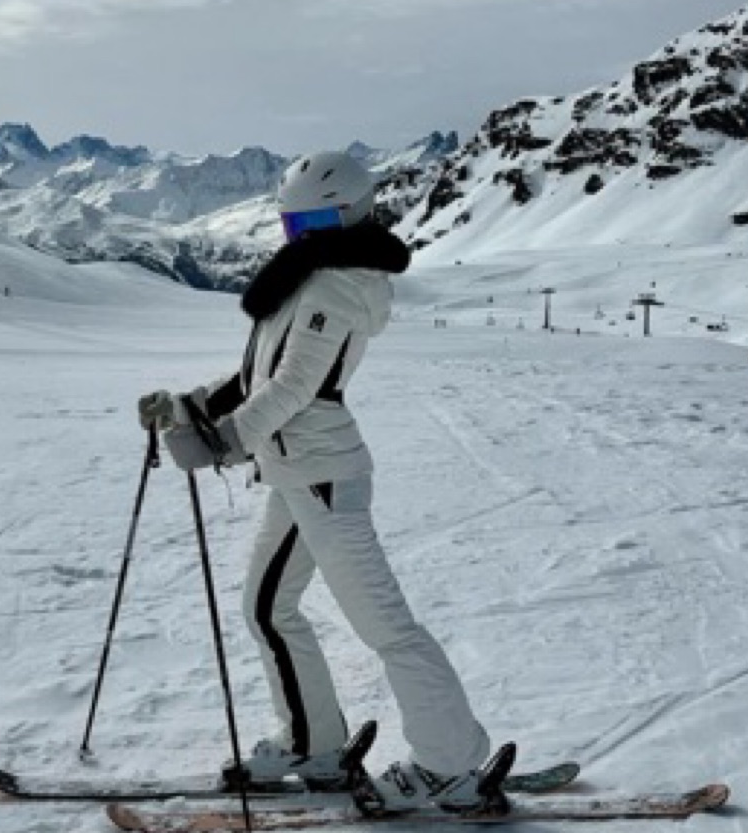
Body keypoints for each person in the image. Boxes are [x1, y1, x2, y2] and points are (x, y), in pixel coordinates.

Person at [138, 151, 492, 813]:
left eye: (315, 223)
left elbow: (294, 387)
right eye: (292, 224)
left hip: (326, 476)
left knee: (387, 628)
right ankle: (313, 744)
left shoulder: (339, 285)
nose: (301, 235)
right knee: (267, 609)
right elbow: (255, 379)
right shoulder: (305, 278)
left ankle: (450, 762)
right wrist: (190, 407)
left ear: (350, 215)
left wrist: (225, 441)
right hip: (295, 474)